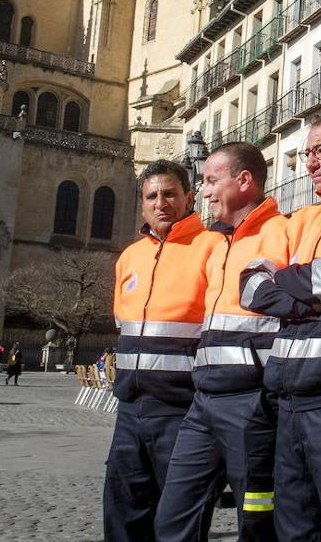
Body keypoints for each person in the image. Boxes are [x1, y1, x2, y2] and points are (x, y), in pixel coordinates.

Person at [240, 111, 321, 541]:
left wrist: (287, 286)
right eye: (307, 153)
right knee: (294, 524)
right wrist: (306, 297)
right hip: (289, 400)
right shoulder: (298, 221)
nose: (310, 163)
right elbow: (249, 288)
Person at [155, 143, 289, 542]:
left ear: (244, 181)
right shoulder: (218, 244)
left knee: (257, 520)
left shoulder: (282, 233)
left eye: (212, 180)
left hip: (253, 403)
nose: (204, 191)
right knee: (173, 518)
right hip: (204, 401)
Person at [104, 160, 220, 542]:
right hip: (130, 409)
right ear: (142, 205)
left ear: (190, 197)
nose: (161, 202)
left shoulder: (213, 247)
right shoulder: (130, 258)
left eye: (170, 194)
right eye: (152, 196)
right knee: (122, 516)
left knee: (176, 525)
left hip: (184, 410)